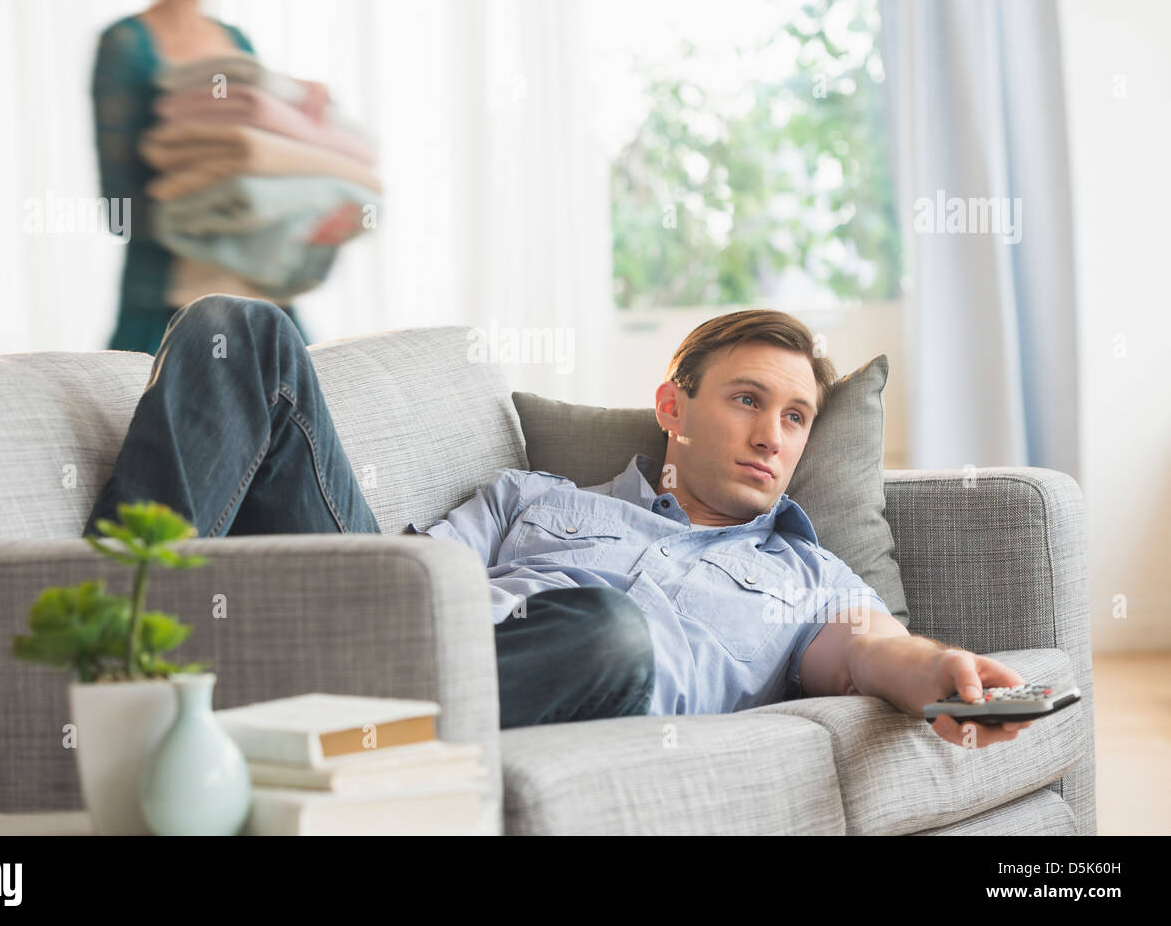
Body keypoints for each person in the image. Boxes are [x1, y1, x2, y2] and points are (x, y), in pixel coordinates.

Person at [85, 293, 1035, 746]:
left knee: (609, 630)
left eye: (796, 419)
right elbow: (407, 586)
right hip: (408, 639)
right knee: (239, 327)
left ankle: (237, 706)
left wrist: (940, 676)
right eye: (749, 401)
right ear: (673, 407)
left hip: (567, 679)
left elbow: (875, 650)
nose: (774, 437)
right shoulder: (534, 495)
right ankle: (107, 636)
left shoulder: (805, 576)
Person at [91, 0, 327, 355]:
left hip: (261, 296)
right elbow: (119, 208)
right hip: (167, 306)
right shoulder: (125, 46)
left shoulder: (236, 44)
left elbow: (263, 162)